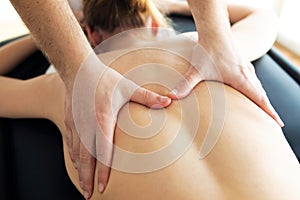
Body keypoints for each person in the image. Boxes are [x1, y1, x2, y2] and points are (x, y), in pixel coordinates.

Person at [1, 16, 300, 200]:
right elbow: (262, 16)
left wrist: (40, 37)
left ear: (90, 36)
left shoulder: (69, 89)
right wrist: (177, 5)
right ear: (156, 23)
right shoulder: (209, 48)